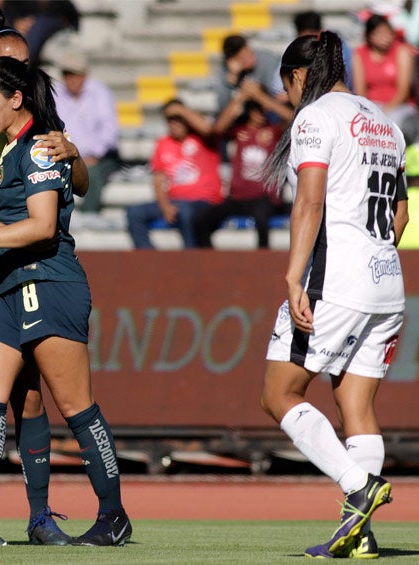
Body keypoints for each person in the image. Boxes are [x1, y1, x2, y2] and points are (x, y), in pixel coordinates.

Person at [0, 55, 131, 547]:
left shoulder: (39, 146)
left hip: (48, 280)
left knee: (75, 407)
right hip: (4, 285)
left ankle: (113, 516)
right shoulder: (13, 147)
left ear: (15, 99)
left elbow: (44, 226)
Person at [260, 32, 404, 559]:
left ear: (298, 76)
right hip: (387, 281)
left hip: (336, 280)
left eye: (288, 85)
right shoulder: (385, 123)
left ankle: (357, 485)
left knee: (279, 394)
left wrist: (294, 276)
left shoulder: (316, 116)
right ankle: (360, 532)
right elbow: (400, 214)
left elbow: (310, 202)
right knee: (355, 405)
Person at [125, 99, 223, 249]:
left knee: (184, 210)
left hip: (203, 201)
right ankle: (149, 260)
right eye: (170, 120)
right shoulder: (163, 143)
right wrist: (164, 206)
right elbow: (158, 180)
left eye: (179, 120)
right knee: (134, 212)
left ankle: (192, 259)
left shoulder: (203, 139)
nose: (174, 123)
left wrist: (180, 110)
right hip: (175, 201)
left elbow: (210, 129)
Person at [196, 97, 285, 249]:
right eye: (257, 110)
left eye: (264, 110)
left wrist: (263, 97)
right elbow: (217, 128)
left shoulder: (274, 131)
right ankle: (209, 262)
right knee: (201, 220)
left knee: (261, 219)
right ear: (249, 111)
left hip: (264, 197)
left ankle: (263, 262)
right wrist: (240, 98)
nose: (261, 113)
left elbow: (293, 118)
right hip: (238, 197)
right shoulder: (239, 131)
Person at [53, 50, 119, 216]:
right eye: (67, 74)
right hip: (66, 156)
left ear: (84, 74)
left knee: (92, 174)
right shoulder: (57, 94)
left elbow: (109, 132)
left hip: (100, 157)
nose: (71, 79)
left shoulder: (100, 93)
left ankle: (89, 219)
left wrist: (94, 155)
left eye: (75, 74)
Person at [352, 13, 418, 144]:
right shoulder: (359, 54)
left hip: (398, 107)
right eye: (380, 34)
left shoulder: (402, 52)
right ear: (369, 36)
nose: (386, 38)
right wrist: (371, 113)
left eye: (388, 33)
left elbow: (403, 92)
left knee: (393, 124)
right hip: (371, 106)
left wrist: (383, 114)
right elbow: (360, 92)